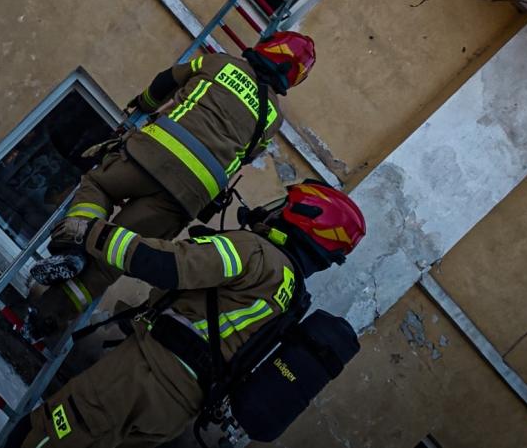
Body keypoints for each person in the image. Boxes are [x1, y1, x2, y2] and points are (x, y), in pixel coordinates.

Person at [6, 182, 366, 448]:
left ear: (304, 218)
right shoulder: (293, 294)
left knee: (46, 434)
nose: (271, 211)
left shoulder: (256, 252)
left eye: (282, 206)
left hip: (142, 376)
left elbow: (164, 265)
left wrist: (91, 233)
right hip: (176, 410)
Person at [21, 30, 317, 342]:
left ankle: (74, 241)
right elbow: (246, 156)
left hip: (149, 156)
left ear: (268, 47)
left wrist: (144, 104)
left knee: (99, 185)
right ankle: (44, 320)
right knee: (109, 263)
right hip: (189, 195)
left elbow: (166, 81)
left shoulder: (220, 63)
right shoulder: (272, 118)